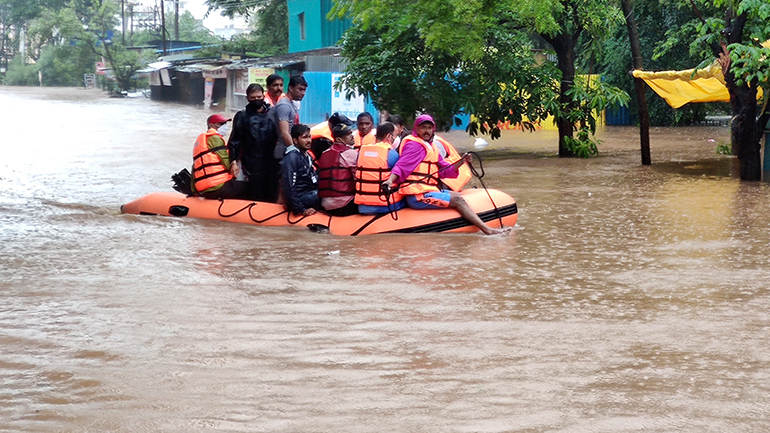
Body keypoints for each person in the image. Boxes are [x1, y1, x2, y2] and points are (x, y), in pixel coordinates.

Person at [382, 114, 508, 235]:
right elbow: (402, 166)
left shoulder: (430, 146)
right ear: (417, 129)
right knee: (458, 200)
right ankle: (488, 230)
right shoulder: (414, 145)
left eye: (429, 128)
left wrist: (462, 161)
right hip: (417, 196)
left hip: (426, 190)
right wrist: (390, 181)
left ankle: (483, 225)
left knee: (458, 196)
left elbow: (444, 171)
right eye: (423, 127)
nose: (427, 131)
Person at [227, 83, 280, 202]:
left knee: (272, 191)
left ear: (263, 96)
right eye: (253, 98)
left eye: (259, 97)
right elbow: (234, 140)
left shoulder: (272, 113)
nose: (257, 100)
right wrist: (233, 161)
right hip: (252, 162)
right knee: (255, 192)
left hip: (272, 160)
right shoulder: (242, 116)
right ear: (247, 98)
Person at [354, 122, 406, 214]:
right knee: (408, 199)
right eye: (395, 135)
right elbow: (401, 174)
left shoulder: (361, 151)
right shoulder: (391, 154)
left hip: (362, 206)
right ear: (389, 136)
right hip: (385, 205)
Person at [192, 114, 246, 200]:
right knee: (248, 187)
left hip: (203, 188)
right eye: (222, 124)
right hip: (217, 186)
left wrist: (194, 191)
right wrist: (235, 163)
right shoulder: (215, 138)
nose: (225, 126)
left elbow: (194, 168)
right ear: (212, 125)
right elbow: (227, 164)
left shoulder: (199, 142)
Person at [317, 123, 359, 216]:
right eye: (348, 134)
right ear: (339, 139)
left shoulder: (324, 153)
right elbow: (358, 179)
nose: (352, 136)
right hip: (345, 204)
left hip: (325, 204)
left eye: (351, 133)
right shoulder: (351, 154)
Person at [280, 124, 320, 216]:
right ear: (295, 140)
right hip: (302, 197)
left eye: (309, 137)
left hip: (310, 193)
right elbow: (289, 186)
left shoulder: (307, 156)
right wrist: (300, 209)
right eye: (304, 138)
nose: (309, 140)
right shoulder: (292, 157)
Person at [271, 75, 307, 160]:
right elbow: (284, 133)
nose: (303, 93)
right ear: (291, 88)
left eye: (304, 90)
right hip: (283, 153)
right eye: (300, 89)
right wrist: (294, 152)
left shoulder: (290, 104)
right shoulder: (284, 106)